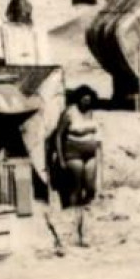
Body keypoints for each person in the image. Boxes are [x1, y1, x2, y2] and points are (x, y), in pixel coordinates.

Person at [55, 89, 101, 248]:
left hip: (91, 153)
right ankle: (73, 227)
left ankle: (86, 219)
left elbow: (98, 135)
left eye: (89, 100)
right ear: (78, 99)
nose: (86, 102)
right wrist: (61, 158)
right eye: (83, 99)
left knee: (90, 188)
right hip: (73, 153)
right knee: (76, 188)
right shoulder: (69, 113)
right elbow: (59, 135)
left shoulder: (92, 113)